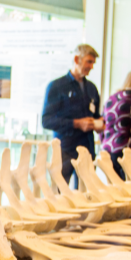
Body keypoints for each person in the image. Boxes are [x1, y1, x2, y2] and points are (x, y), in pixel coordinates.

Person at [42, 44, 102, 184]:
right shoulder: (56, 86)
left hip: (87, 150)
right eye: (89, 61)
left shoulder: (92, 88)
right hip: (65, 150)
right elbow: (46, 120)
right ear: (77, 59)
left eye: (93, 63)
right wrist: (77, 123)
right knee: (59, 191)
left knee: (86, 193)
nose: (91, 66)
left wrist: (99, 123)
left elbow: (96, 115)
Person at [102, 71, 131, 174]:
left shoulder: (111, 98)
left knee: (113, 186)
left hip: (108, 149)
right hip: (127, 149)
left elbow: (103, 123)